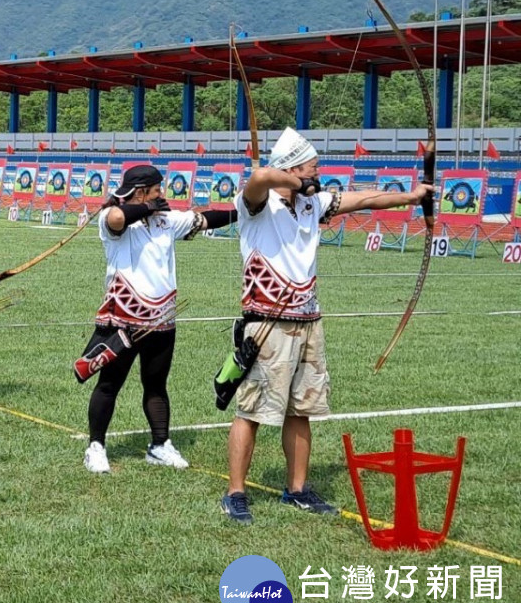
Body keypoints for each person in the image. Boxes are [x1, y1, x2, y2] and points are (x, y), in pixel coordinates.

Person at [220, 128, 433, 524]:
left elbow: (366, 198)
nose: (319, 175)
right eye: (312, 168)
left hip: (307, 322)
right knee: (251, 410)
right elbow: (261, 177)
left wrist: (411, 196)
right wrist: (297, 179)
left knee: (301, 409)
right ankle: (235, 493)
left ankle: (297, 489)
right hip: (267, 326)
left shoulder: (313, 204)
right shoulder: (257, 205)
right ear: (294, 168)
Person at [80, 164, 237, 474]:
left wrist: (242, 211)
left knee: (156, 385)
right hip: (123, 321)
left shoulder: (165, 221)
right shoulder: (113, 220)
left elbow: (205, 219)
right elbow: (116, 217)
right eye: (156, 191)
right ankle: (95, 446)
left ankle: (159, 445)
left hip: (161, 320)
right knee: (109, 384)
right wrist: (145, 207)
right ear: (140, 193)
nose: (161, 195)